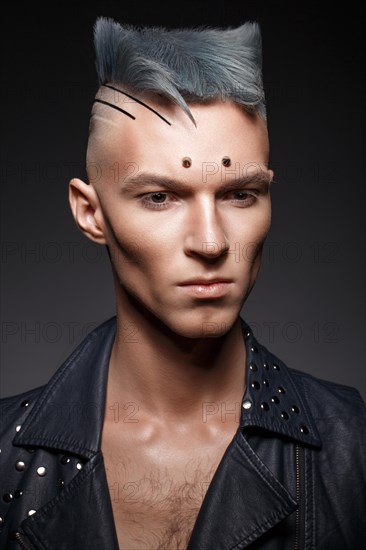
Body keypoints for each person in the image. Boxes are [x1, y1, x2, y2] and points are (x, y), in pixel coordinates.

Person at [0, 15, 365, 550]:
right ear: (90, 213)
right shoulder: (6, 456)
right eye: (160, 197)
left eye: (240, 194)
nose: (212, 243)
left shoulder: (352, 445)